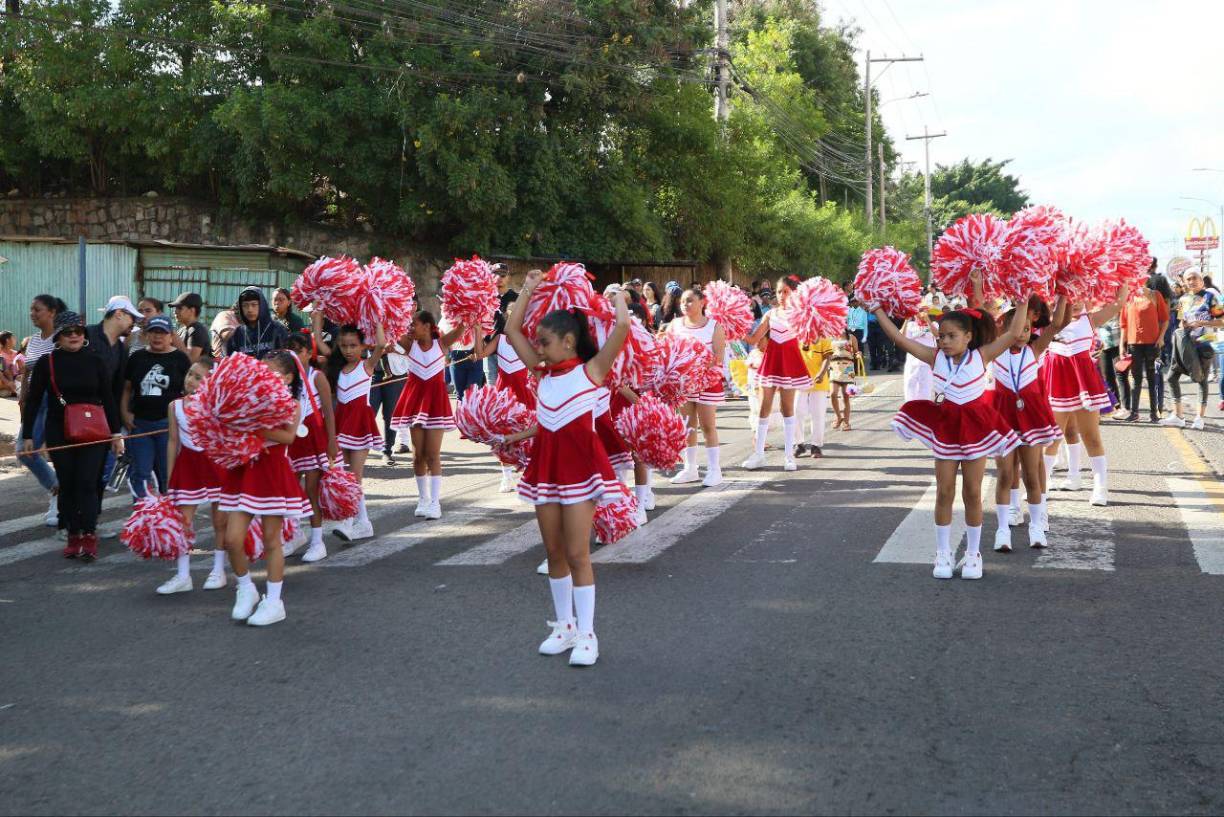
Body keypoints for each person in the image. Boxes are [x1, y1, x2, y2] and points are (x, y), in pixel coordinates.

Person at [502, 271, 631, 667]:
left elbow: (622, 328)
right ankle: (564, 626)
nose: (538, 348)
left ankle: (588, 635)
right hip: (547, 470)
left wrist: (617, 296)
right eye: (538, 343)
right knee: (554, 551)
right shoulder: (542, 373)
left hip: (581, 472)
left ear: (569, 341)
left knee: (577, 553)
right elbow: (511, 331)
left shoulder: (591, 372)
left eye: (544, 342)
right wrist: (529, 287)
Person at [874, 294, 1030, 580]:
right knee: (944, 491)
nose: (944, 341)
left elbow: (1012, 333)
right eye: (941, 336)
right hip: (946, 429)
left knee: (972, 492)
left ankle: (973, 554)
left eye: (951, 336)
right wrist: (876, 309)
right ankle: (943, 552)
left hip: (974, 430)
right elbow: (899, 338)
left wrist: (1022, 301)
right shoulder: (934, 357)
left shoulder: (981, 356)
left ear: (968, 337)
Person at [21, 311, 124, 561]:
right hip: (59, 430)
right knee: (68, 483)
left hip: (94, 430)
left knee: (88, 482)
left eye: (78, 331)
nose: (74, 336)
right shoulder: (47, 362)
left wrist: (115, 433)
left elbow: (109, 398)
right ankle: (72, 534)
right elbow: (33, 400)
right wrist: (28, 434)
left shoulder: (96, 360)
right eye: (68, 332)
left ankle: (89, 534)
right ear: (58, 336)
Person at [221, 350, 311, 627]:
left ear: (288, 378)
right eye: (260, 372)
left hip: (272, 473)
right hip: (245, 471)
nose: (264, 377)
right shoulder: (246, 401)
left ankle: (274, 602)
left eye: (271, 372)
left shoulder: (292, 405)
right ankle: (246, 588)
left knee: (272, 541)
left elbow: (288, 437)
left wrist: (253, 427)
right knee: (232, 539)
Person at [990, 297, 1068, 553]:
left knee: (1031, 474)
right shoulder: (994, 351)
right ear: (1004, 329)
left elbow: (1056, 325)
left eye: (1026, 329)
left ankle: (1036, 525)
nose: (1022, 334)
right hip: (1003, 418)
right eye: (1017, 329)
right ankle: (1002, 529)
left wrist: (1064, 293)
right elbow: (980, 308)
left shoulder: (1034, 350)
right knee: (1005, 474)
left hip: (1030, 419)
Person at [1043, 286, 1128, 505]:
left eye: (1079, 297)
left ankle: (1100, 488)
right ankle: (1041, 486)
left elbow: (1118, 304)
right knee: (1052, 437)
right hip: (1056, 382)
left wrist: (1126, 277)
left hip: (1084, 383)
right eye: (1068, 297)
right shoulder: (1048, 323)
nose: (1075, 302)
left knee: (1091, 436)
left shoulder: (1089, 320)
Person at [157, 358, 229, 594]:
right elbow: (173, 441)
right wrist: (170, 476)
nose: (191, 380)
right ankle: (183, 575)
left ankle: (218, 570)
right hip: (187, 466)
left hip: (215, 464)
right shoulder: (175, 406)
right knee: (183, 522)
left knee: (220, 521)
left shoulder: (217, 406)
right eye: (190, 374)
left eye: (199, 377)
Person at [390, 311, 468, 519]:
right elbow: (391, 328)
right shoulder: (410, 344)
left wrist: (468, 308)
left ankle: (435, 502)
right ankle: (423, 499)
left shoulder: (441, 344)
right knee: (418, 455)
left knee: (433, 454)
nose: (410, 328)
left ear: (427, 326)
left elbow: (461, 328)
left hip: (435, 403)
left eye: (413, 324)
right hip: (415, 401)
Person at [314, 315, 385, 540]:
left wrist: (378, 318)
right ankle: (364, 523)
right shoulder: (337, 366)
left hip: (361, 424)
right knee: (345, 474)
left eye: (353, 345)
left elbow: (381, 345)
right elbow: (319, 341)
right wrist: (317, 317)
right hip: (342, 423)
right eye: (344, 346)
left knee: (354, 476)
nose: (348, 350)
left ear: (363, 345)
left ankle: (347, 522)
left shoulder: (367, 365)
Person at [741, 275, 813, 471]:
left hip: (789, 362)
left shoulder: (800, 314)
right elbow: (753, 339)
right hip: (771, 362)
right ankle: (758, 455)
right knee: (763, 407)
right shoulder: (770, 314)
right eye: (779, 291)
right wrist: (735, 329)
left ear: (794, 293)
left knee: (787, 408)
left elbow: (809, 338)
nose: (781, 295)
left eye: (786, 292)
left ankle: (789, 456)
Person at [283, 333, 339, 562]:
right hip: (292, 439)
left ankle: (318, 542)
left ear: (308, 353)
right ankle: (294, 533)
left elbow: (328, 411)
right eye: (290, 351)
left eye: (299, 351)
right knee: (290, 490)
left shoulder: (317, 376)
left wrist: (332, 441)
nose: (294, 355)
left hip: (313, 438)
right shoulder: (287, 378)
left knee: (311, 490)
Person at [121, 315, 191, 499]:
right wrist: (125, 412)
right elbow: (127, 389)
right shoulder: (137, 357)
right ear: (146, 335)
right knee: (141, 472)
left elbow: (189, 391)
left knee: (167, 472)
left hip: (168, 425)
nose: (157, 337)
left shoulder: (180, 359)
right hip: (140, 424)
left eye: (162, 333)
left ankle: (168, 511)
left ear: (171, 336)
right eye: (153, 332)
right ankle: (142, 511)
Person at [665, 287, 726, 487]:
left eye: (690, 300)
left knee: (707, 425)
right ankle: (690, 468)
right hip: (683, 382)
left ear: (702, 302)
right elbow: (667, 351)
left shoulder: (714, 326)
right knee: (687, 425)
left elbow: (718, 357)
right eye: (683, 301)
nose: (685, 304)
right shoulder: (675, 325)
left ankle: (715, 470)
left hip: (707, 381)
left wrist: (695, 364)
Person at [476, 298, 534, 493]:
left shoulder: (528, 337)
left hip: (524, 389)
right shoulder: (499, 338)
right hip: (504, 391)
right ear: (505, 314)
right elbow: (480, 354)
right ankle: (506, 477)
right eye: (511, 310)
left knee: (527, 431)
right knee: (502, 432)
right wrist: (477, 330)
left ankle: (528, 474)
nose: (515, 313)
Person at [17, 294, 66, 525]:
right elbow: (27, 370)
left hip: (54, 401)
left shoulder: (61, 338)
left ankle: (60, 498)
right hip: (35, 402)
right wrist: (23, 396)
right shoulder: (34, 340)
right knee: (24, 451)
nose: (32, 314)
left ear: (52, 312)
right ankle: (57, 488)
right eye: (31, 309)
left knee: (57, 453)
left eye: (37, 309)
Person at [1160, 270, 1219, 429]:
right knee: (1171, 377)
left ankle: (1199, 418)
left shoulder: (1210, 297)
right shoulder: (1183, 299)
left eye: (1195, 278)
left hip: (1204, 343)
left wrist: (1202, 323)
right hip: (1185, 344)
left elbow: (1221, 321)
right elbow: (1181, 321)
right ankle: (1178, 416)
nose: (1192, 281)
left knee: (1201, 380)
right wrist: (1183, 326)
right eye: (1189, 279)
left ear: (1201, 280)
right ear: (1185, 282)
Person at [1119, 273, 1171, 422]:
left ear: (1145, 279)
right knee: (1136, 379)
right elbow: (1123, 324)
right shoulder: (1128, 297)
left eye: (1139, 277)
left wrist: (1161, 338)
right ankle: (1134, 413)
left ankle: (1154, 413)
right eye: (1133, 278)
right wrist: (1122, 345)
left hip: (1152, 343)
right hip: (1134, 344)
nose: (1136, 280)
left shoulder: (1155, 295)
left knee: (1152, 378)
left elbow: (1165, 319)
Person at [225, 287, 289, 359]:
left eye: (254, 304)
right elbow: (231, 361)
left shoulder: (277, 330)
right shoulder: (238, 334)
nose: (250, 310)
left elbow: (286, 360)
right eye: (245, 305)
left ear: (262, 305)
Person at [795, 337, 832, 458]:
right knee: (796, 412)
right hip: (799, 381)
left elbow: (827, 358)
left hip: (819, 383)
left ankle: (816, 446)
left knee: (818, 415)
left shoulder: (824, 338)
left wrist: (821, 374)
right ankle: (799, 444)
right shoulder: (797, 336)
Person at [481, 263, 517, 386]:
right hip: (490, 351)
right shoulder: (485, 298)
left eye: (503, 275)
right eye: (496, 275)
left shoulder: (517, 298)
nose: (499, 278)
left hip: (511, 352)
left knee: (510, 390)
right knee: (492, 389)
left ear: (508, 277)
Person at [902, 308, 937, 401]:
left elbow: (937, 335)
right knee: (910, 388)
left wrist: (928, 321)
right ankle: (910, 407)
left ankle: (923, 408)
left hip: (927, 362)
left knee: (925, 389)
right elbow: (900, 337)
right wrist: (906, 320)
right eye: (919, 310)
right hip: (912, 362)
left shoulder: (934, 324)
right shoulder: (911, 325)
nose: (921, 313)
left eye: (924, 310)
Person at [1096, 316, 1129, 414]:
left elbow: (1124, 324)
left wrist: (1123, 345)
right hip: (1103, 345)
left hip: (1118, 343)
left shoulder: (1116, 307)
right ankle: (1116, 405)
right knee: (1107, 375)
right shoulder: (1095, 308)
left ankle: (1126, 407)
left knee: (1121, 374)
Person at [829, 329, 860, 431]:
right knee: (832, 394)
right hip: (834, 369)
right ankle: (838, 417)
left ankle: (846, 422)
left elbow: (856, 351)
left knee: (845, 396)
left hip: (848, 370)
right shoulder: (830, 337)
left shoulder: (851, 337)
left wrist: (858, 354)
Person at [169, 292, 210, 364]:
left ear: (192, 310)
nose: (175, 312)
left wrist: (174, 336)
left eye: (179, 308)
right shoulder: (182, 330)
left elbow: (191, 360)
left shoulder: (196, 330)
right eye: (175, 308)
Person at [0, 332, 21, 397]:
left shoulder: (16, 353)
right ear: (7, 340)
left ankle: (11, 390)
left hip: (13, 378)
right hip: (3, 380)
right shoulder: (1, 355)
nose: (15, 340)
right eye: (13, 338)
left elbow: (20, 369)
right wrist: (8, 382)